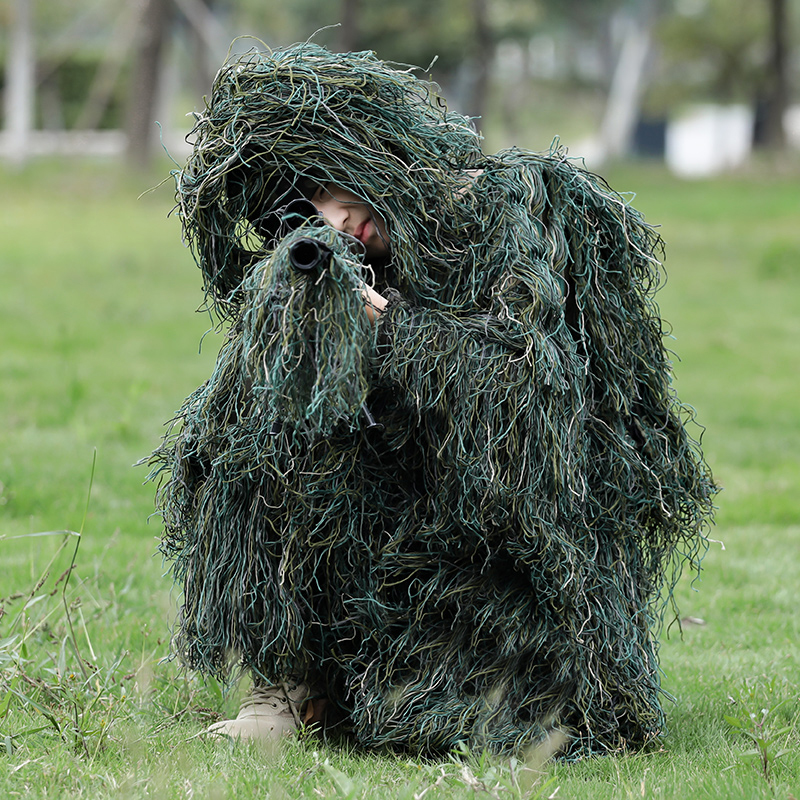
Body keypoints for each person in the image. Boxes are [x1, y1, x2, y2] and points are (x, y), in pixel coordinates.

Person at [149, 42, 716, 758]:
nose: (334, 218)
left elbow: (528, 404)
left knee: (438, 718)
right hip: (395, 505)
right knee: (251, 414)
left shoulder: (510, 212)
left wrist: (392, 328)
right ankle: (288, 685)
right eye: (309, 207)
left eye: (335, 184)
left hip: (512, 535)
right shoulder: (342, 256)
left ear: (378, 149)